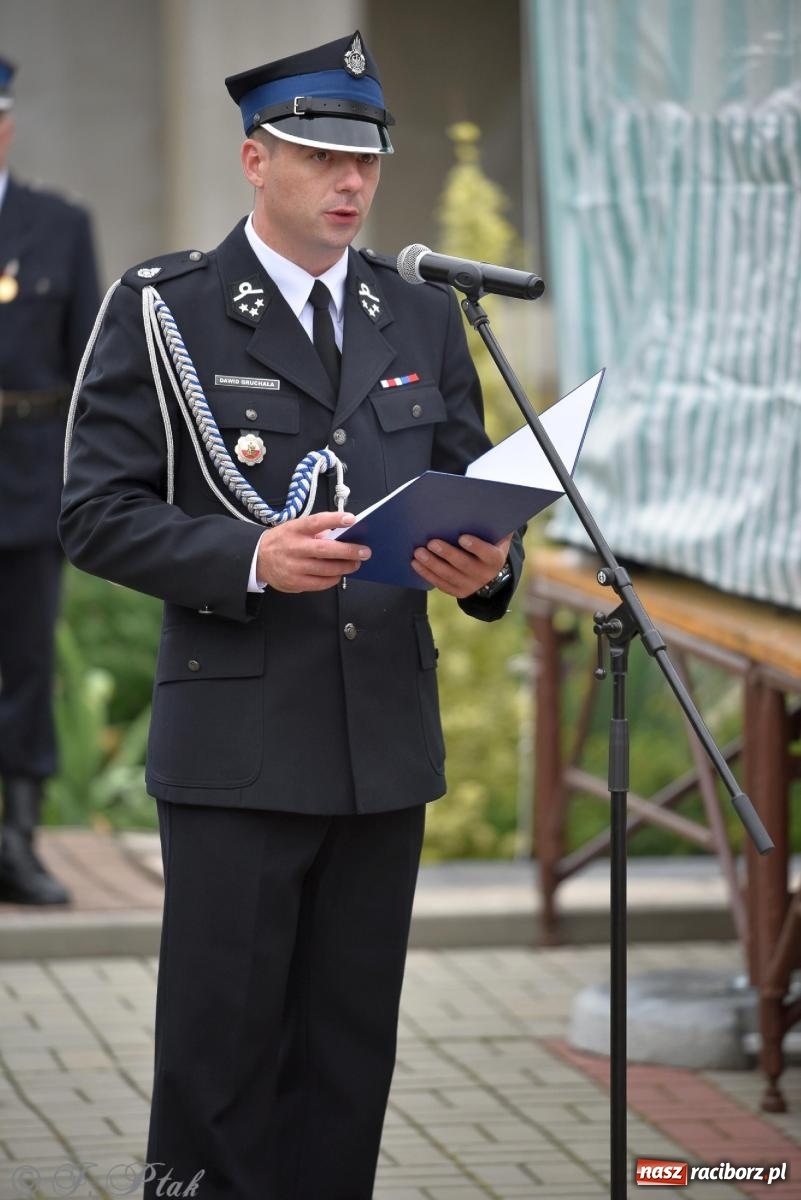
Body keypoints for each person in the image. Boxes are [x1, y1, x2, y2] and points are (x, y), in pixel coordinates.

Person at [60, 30, 524, 1199]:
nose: (352, 183)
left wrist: (486, 572)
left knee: (348, 1053)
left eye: (365, 159)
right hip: (241, 747)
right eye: (321, 156)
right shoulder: (168, 309)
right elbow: (95, 513)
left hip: (383, 744)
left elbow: (473, 493)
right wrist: (249, 557)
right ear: (256, 161)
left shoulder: (420, 317)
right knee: (222, 1054)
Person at [0, 57, 100, 905]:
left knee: (28, 665)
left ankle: (16, 841)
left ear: (7, 125)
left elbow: (90, 373)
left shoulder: (57, 226)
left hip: (27, 478)